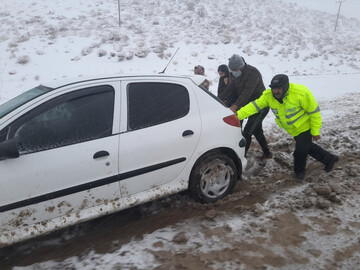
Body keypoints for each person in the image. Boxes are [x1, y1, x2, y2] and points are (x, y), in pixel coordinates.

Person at [236, 74, 339, 180]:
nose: (275, 91)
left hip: (305, 126)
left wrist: (315, 130)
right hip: (293, 129)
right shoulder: (268, 96)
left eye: (279, 88)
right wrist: (237, 115)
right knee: (308, 147)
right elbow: (254, 106)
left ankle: (299, 173)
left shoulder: (301, 93)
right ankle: (330, 158)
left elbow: (314, 112)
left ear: (285, 86)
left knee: (299, 151)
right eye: (273, 88)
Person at [218, 54, 272, 159]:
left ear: (241, 67)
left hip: (260, 107)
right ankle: (267, 152)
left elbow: (247, 93)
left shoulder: (253, 73)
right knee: (257, 130)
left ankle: (241, 158)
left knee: (247, 132)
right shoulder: (234, 74)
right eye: (231, 70)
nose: (233, 72)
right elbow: (230, 88)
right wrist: (217, 99)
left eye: (235, 70)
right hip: (248, 106)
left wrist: (235, 106)